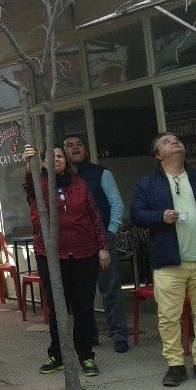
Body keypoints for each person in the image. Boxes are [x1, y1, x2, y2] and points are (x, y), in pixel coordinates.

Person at [131, 132, 196, 388]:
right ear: (158, 156)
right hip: (169, 260)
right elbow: (137, 214)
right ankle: (175, 365)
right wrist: (160, 217)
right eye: (167, 141)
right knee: (168, 316)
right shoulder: (147, 184)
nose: (175, 143)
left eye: (177, 140)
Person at [23, 145, 111, 377]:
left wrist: (103, 247)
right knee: (56, 308)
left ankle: (86, 356)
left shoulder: (80, 184)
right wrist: (28, 164)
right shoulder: (39, 185)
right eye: (50, 158)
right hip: (51, 255)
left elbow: (94, 216)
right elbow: (28, 186)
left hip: (84, 254)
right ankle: (57, 355)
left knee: (83, 308)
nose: (56, 160)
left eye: (60, 156)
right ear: (42, 163)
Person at [63, 134, 129, 353]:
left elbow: (116, 205)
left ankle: (119, 336)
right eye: (69, 146)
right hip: (75, 243)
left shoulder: (102, 174)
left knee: (110, 289)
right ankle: (89, 335)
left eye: (78, 144)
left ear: (86, 149)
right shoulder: (59, 178)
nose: (75, 148)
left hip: (102, 241)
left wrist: (109, 233)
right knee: (81, 292)